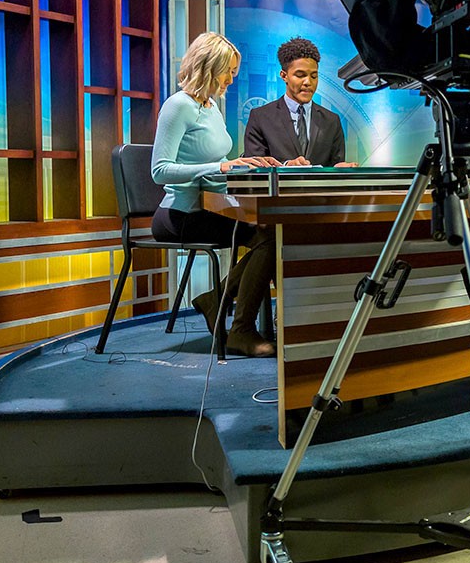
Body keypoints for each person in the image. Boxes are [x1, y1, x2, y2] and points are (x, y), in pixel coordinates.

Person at [150, 32, 281, 358]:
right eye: (228, 71)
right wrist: (222, 167)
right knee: (269, 237)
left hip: (208, 209)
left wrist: (245, 167)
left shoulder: (210, 108)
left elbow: (214, 165)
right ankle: (239, 329)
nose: (231, 79)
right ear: (209, 67)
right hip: (179, 214)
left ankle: (217, 301)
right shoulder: (177, 106)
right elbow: (160, 170)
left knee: (274, 234)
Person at [243, 37, 355, 167]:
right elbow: (254, 168)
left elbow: (335, 165)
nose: (308, 82)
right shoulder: (260, 117)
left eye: (314, 76)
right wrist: (285, 166)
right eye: (300, 75)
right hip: (277, 187)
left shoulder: (332, 121)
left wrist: (339, 171)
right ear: (284, 76)